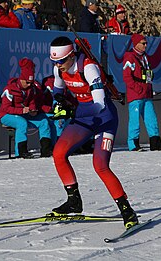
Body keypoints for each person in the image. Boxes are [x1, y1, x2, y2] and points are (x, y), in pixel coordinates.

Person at [49, 36, 138, 229]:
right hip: (83, 117)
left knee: (100, 165)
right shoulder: (59, 69)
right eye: (54, 61)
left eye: (61, 61)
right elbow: (57, 90)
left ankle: (127, 211)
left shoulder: (88, 68)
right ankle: (74, 201)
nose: (58, 65)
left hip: (104, 118)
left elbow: (98, 105)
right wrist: (59, 102)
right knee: (58, 154)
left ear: (72, 56)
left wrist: (71, 110)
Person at [123, 34, 161, 152]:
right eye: (143, 43)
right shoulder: (130, 57)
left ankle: (155, 143)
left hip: (146, 93)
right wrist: (138, 89)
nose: (145, 45)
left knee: (151, 118)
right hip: (136, 94)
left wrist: (148, 89)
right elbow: (127, 77)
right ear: (136, 44)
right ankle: (133, 144)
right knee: (134, 120)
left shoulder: (144, 57)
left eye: (146, 43)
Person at [0, 58, 52, 159]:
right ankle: (21, 152)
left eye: (31, 83)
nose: (29, 85)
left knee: (44, 121)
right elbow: (6, 108)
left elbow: (32, 103)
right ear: (21, 79)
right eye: (27, 82)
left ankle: (46, 150)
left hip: (23, 115)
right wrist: (21, 110)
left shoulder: (31, 89)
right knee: (21, 123)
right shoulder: (10, 89)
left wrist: (33, 110)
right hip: (6, 115)